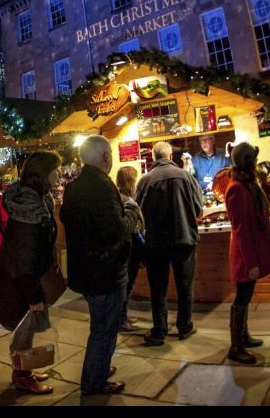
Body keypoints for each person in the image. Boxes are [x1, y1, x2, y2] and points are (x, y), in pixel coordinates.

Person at [61, 135, 138, 396]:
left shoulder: (74, 186)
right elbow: (115, 232)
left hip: (84, 271)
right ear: (106, 156)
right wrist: (132, 213)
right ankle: (95, 382)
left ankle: (99, 369)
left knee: (100, 327)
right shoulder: (103, 186)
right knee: (104, 330)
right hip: (104, 273)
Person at [0, 149, 62, 395]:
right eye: (56, 170)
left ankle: (25, 370)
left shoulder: (35, 201)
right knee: (23, 332)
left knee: (26, 332)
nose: (59, 174)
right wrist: (33, 298)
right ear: (43, 173)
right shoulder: (29, 209)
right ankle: (22, 376)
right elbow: (23, 259)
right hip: (21, 283)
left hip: (25, 279)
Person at [136, 141, 203, 345]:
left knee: (158, 289)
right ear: (171, 157)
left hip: (156, 243)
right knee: (185, 287)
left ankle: (159, 331)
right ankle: (185, 327)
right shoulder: (185, 177)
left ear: (154, 157)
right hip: (184, 240)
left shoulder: (145, 180)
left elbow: (138, 214)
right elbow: (199, 208)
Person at [224, 142, 270, 364]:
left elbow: (261, 208)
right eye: (254, 159)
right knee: (242, 297)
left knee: (246, 297)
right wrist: (251, 263)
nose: (257, 162)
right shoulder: (236, 188)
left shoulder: (248, 184)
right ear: (247, 162)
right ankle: (236, 346)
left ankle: (244, 336)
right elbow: (241, 230)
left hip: (252, 250)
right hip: (245, 254)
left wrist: (265, 186)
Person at [116, 166, 146, 333]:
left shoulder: (119, 197)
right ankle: (121, 319)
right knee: (127, 286)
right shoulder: (127, 201)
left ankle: (124, 315)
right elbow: (133, 229)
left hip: (127, 250)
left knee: (127, 285)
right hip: (130, 251)